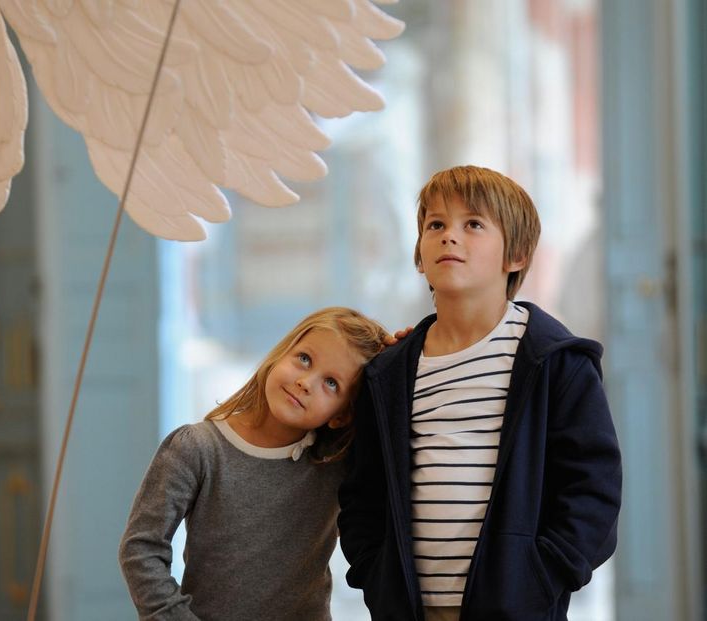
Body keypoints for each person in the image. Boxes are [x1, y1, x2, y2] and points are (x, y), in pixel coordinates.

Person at [337, 165, 622, 621]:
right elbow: (362, 498)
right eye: (436, 224)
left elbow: (592, 494)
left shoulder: (556, 362)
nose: (450, 236)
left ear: (517, 256)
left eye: (473, 224)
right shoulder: (387, 374)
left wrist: (536, 581)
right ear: (419, 254)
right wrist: (378, 579)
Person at [119, 306, 390, 621]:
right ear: (280, 353)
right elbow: (141, 551)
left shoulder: (340, 466)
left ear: (343, 414)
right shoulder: (195, 449)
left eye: (331, 383)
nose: (306, 382)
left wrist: (403, 360)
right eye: (304, 359)